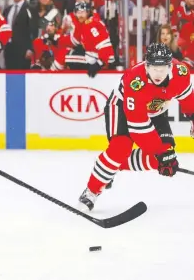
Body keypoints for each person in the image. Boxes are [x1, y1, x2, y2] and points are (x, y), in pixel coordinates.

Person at [78, 43, 194, 212]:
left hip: (155, 111)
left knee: (164, 157)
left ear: (170, 66)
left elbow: (189, 101)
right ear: (146, 65)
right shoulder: (135, 80)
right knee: (121, 148)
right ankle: (91, 191)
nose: (158, 74)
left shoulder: (181, 73)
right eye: (153, 68)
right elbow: (139, 128)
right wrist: (160, 152)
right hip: (121, 108)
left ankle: (109, 167)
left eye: (162, 68)